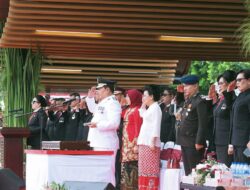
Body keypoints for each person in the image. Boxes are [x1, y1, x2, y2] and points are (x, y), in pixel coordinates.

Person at [86, 78, 122, 187]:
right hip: (98, 142)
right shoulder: (104, 102)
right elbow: (94, 110)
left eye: (99, 88)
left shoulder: (113, 103)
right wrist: (90, 98)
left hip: (106, 143)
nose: (97, 91)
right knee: (98, 172)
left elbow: (115, 123)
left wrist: (98, 125)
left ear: (107, 89)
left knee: (106, 172)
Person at [176, 75, 209, 175]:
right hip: (184, 141)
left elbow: (202, 124)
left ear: (195, 86)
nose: (185, 88)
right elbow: (179, 104)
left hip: (193, 142)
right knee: (188, 172)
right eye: (184, 86)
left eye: (187, 86)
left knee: (194, 172)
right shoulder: (189, 100)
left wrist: (199, 141)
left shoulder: (200, 101)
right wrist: (179, 93)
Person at [137, 85, 162, 190]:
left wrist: (152, 140)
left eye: (145, 95)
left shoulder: (156, 108)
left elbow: (156, 125)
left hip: (150, 143)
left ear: (151, 96)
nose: (143, 97)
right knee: (143, 169)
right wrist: (143, 104)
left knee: (150, 170)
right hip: (144, 142)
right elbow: (142, 114)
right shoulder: (151, 108)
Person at [210, 70, 236, 167]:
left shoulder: (232, 99)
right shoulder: (221, 100)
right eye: (218, 83)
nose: (219, 86)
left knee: (224, 170)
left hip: (226, 142)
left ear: (230, 84)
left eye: (221, 83)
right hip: (217, 141)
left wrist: (230, 144)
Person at [120, 89, 143, 190]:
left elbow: (139, 127)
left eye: (128, 97)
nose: (126, 99)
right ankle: (126, 186)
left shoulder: (137, 110)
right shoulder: (128, 109)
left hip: (133, 143)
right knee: (126, 165)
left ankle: (132, 186)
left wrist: (137, 143)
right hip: (126, 142)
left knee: (132, 165)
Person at [228, 69, 250, 163]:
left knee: (245, 171)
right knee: (238, 172)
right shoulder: (241, 95)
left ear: (249, 80)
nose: (237, 83)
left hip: (246, 143)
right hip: (237, 141)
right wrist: (231, 143)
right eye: (236, 80)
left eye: (240, 80)